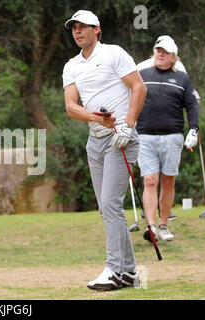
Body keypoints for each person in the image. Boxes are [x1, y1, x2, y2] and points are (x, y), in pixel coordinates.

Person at [62, 10, 147, 291]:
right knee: (107, 208)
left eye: (83, 27)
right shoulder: (71, 65)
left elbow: (139, 88)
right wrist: (97, 118)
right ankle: (131, 273)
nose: (77, 32)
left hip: (120, 139)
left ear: (97, 29)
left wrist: (127, 125)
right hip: (94, 140)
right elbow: (71, 107)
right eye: (74, 28)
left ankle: (113, 269)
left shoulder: (113, 53)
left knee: (110, 204)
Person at [136, 36, 199, 242]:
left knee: (168, 180)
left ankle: (164, 225)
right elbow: (130, 98)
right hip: (145, 136)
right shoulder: (142, 74)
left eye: (165, 52)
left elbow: (191, 104)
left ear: (173, 57)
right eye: (157, 50)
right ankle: (151, 227)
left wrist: (194, 129)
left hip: (173, 137)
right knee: (150, 180)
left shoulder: (182, 78)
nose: (160, 54)